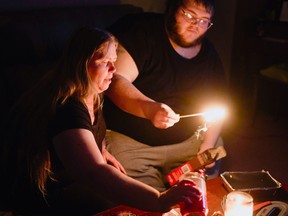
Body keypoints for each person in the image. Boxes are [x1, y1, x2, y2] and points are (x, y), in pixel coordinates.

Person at [0, 27, 201, 215]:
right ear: (82, 63)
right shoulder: (68, 109)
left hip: (75, 183)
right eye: (105, 61)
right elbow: (94, 173)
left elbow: (92, 134)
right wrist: (159, 200)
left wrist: (102, 150)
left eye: (114, 60)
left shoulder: (92, 94)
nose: (113, 69)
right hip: (50, 198)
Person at [104, 0, 230, 192]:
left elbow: (220, 101)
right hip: (133, 146)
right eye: (189, 15)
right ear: (173, 9)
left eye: (204, 20)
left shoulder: (208, 54)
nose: (196, 25)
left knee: (209, 168)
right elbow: (115, 80)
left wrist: (208, 143)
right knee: (149, 200)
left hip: (188, 143)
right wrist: (150, 109)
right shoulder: (143, 32)